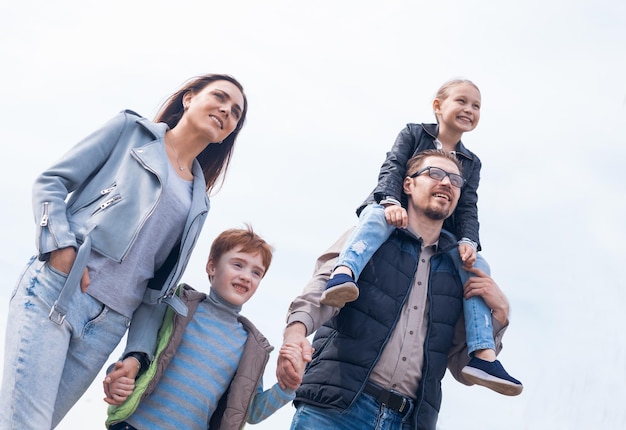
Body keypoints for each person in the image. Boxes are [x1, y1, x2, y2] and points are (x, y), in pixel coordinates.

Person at [0, 74, 248, 429]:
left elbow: (156, 290)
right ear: (189, 98)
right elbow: (51, 182)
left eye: (235, 112)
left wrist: (137, 354)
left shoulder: (199, 203)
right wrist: (61, 247)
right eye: (220, 97)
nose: (226, 109)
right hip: (58, 292)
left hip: (108, 326)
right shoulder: (130, 132)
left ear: (228, 134)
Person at [277, 150, 515, 430]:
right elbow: (321, 288)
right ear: (408, 185)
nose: (446, 183)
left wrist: (500, 314)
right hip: (335, 408)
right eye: (435, 173)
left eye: (455, 180)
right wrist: (294, 336)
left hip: (409, 421)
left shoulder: (462, 268)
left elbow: (461, 367)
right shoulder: (370, 236)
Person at [319, 79, 522, 395]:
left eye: (476, 106)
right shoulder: (414, 133)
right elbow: (394, 167)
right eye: (462, 101)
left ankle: (483, 354)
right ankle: (344, 274)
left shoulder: (472, 162)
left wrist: (468, 241)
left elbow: (467, 207)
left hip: (439, 234)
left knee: (478, 263)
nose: (469, 109)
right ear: (439, 106)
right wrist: (390, 201)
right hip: (394, 209)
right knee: (373, 218)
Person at [103, 226, 306, 430]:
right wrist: (116, 375)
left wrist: (286, 388)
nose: (246, 276)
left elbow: (249, 411)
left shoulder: (252, 347)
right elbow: (137, 354)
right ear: (211, 267)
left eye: (256, 272)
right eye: (238, 265)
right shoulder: (177, 307)